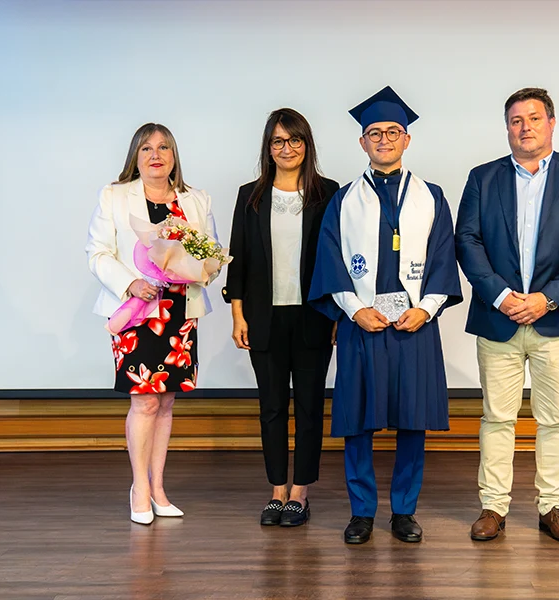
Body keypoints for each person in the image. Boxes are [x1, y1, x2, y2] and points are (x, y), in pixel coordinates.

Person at [309, 86, 462, 545]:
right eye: (374, 133)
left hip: (414, 324)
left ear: (406, 139)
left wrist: (425, 310)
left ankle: (404, 511)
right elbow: (330, 261)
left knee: (412, 421)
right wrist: (355, 310)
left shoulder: (431, 196)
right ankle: (361, 512)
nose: (384, 139)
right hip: (363, 325)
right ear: (362, 142)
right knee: (357, 420)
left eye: (393, 132)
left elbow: (443, 258)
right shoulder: (344, 200)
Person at [455, 88, 559, 543]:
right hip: (497, 319)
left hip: (556, 321)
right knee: (497, 418)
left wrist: (547, 299)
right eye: (516, 120)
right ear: (507, 128)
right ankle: (493, 507)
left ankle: (552, 507)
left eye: (534, 118)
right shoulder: (483, 178)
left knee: (555, 419)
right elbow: (467, 242)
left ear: (551, 123)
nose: (525, 128)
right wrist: (501, 296)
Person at [86, 123, 221, 525]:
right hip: (137, 311)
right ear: (136, 156)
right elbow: (97, 253)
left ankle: (159, 488)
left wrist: (198, 269)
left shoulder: (196, 199)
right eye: (146, 148)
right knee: (144, 400)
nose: (155, 154)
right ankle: (139, 489)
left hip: (179, 313)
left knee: (165, 402)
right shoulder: (114, 196)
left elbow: (211, 255)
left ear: (174, 156)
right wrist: (130, 283)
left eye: (164, 147)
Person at [223, 108, 339, 527]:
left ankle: (300, 493)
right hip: (263, 318)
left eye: (294, 140)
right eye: (278, 141)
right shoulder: (250, 195)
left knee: (309, 408)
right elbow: (238, 258)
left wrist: (337, 316)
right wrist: (238, 314)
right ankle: (276, 491)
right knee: (271, 407)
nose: (286, 148)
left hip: (314, 317)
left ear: (306, 144)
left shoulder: (328, 192)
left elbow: (336, 260)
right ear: (268, 147)